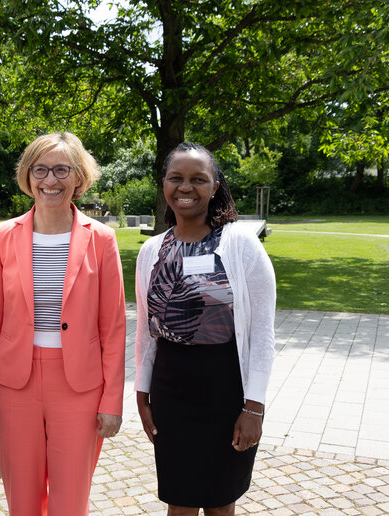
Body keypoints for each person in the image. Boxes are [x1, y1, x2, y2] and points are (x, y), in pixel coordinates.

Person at [0, 132, 126, 516]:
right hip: (14, 385)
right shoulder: (0, 237)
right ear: (27, 177)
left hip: (79, 387)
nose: (51, 180)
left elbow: (112, 328)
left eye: (62, 169)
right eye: (40, 169)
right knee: (23, 501)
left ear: (79, 177)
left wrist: (112, 400)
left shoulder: (101, 239)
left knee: (70, 501)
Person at [134, 142, 276, 516]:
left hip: (225, 389)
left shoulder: (240, 244)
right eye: (176, 178)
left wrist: (255, 408)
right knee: (178, 498)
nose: (186, 187)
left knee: (219, 499)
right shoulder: (152, 250)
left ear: (215, 187)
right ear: (164, 184)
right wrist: (141, 392)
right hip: (170, 389)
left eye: (198, 179)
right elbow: (146, 331)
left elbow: (262, 331)